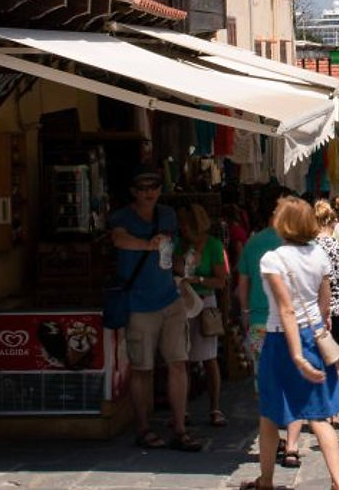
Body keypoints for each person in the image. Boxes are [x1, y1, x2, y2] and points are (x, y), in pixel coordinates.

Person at [240, 197, 339, 490]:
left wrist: (296, 355)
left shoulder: (273, 259)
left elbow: (286, 309)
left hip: (280, 340)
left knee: (269, 413)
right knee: (320, 416)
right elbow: (325, 305)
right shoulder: (319, 256)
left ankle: (265, 481)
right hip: (314, 335)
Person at [110, 167, 201, 452]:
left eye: (154, 187)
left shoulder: (167, 215)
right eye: (143, 187)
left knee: (178, 362)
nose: (149, 192)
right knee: (142, 369)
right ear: (133, 192)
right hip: (138, 301)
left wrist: (184, 266)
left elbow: (171, 251)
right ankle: (143, 427)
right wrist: (147, 245)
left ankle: (179, 427)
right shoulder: (122, 216)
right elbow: (118, 239)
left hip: (169, 297)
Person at [238, 194, 300, 467]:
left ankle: (273, 440)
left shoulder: (253, 243)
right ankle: (293, 446)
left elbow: (243, 285)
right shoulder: (299, 241)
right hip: (294, 323)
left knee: (265, 386)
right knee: (294, 384)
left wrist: (245, 314)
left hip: (261, 322)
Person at [177, 203, 229, 428]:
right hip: (184, 303)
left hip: (205, 302)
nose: (182, 230)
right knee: (183, 359)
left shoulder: (214, 246)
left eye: (185, 226)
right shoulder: (180, 245)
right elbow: (174, 268)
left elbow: (221, 281)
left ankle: (215, 407)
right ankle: (183, 409)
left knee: (209, 358)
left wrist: (197, 280)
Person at [315, 199, 339, 428]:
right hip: (337, 309)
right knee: (335, 362)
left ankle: (319, 408)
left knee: (317, 362)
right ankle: (333, 411)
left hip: (315, 310)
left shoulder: (309, 247)